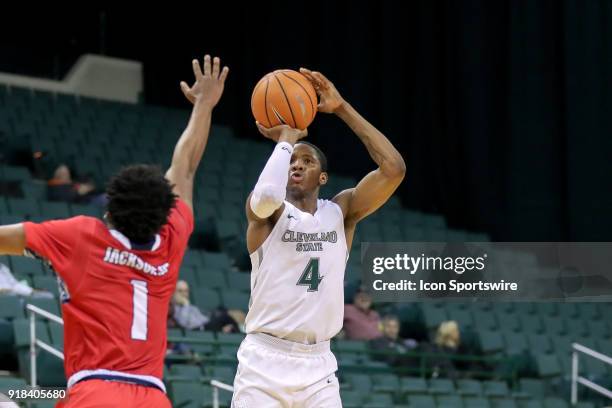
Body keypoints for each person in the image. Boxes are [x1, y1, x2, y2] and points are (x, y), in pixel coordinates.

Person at [0, 55, 229, 407]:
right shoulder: (171, 238)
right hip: (153, 396)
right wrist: (205, 106)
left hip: (96, 391)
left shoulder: (80, 236)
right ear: (163, 213)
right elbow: (186, 165)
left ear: (109, 208)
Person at [231, 68, 406, 407]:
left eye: (306, 161)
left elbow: (393, 168)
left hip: (318, 366)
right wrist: (286, 140)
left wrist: (341, 108)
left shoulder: (341, 212)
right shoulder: (268, 213)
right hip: (264, 359)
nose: (296, 165)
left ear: (323, 176)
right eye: (291, 161)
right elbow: (267, 194)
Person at [171, 280, 238, 333]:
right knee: (224, 317)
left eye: (186, 291)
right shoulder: (173, 308)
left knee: (225, 315)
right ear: (174, 293)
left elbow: (203, 320)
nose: (184, 294)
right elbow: (183, 323)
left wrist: (219, 328)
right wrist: (185, 305)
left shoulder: (192, 307)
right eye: (180, 291)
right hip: (196, 331)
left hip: (205, 327)